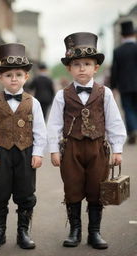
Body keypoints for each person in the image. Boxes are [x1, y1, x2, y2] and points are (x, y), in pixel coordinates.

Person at [47, 32, 126, 250]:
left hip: (98, 148)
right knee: (72, 188)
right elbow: (54, 123)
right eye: (77, 64)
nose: (82, 68)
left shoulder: (105, 93)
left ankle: (94, 232)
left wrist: (117, 148)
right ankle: (75, 231)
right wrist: (54, 149)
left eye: (87, 64)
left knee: (96, 188)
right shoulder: (62, 95)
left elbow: (114, 121)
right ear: (69, 68)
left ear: (96, 68)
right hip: (70, 148)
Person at [0, 43, 47, 250]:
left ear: (26, 77)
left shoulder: (33, 102)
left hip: (26, 153)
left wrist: (38, 153)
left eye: (18, 74)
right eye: (8, 75)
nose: (14, 79)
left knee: (26, 193)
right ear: (0, 78)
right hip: (1, 153)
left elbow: (40, 130)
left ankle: (23, 231)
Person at [111, 20, 137, 144]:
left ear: (122, 35)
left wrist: (113, 86)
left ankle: (133, 130)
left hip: (125, 86)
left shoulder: (118, 51)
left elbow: (114, 70)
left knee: (128, 109)